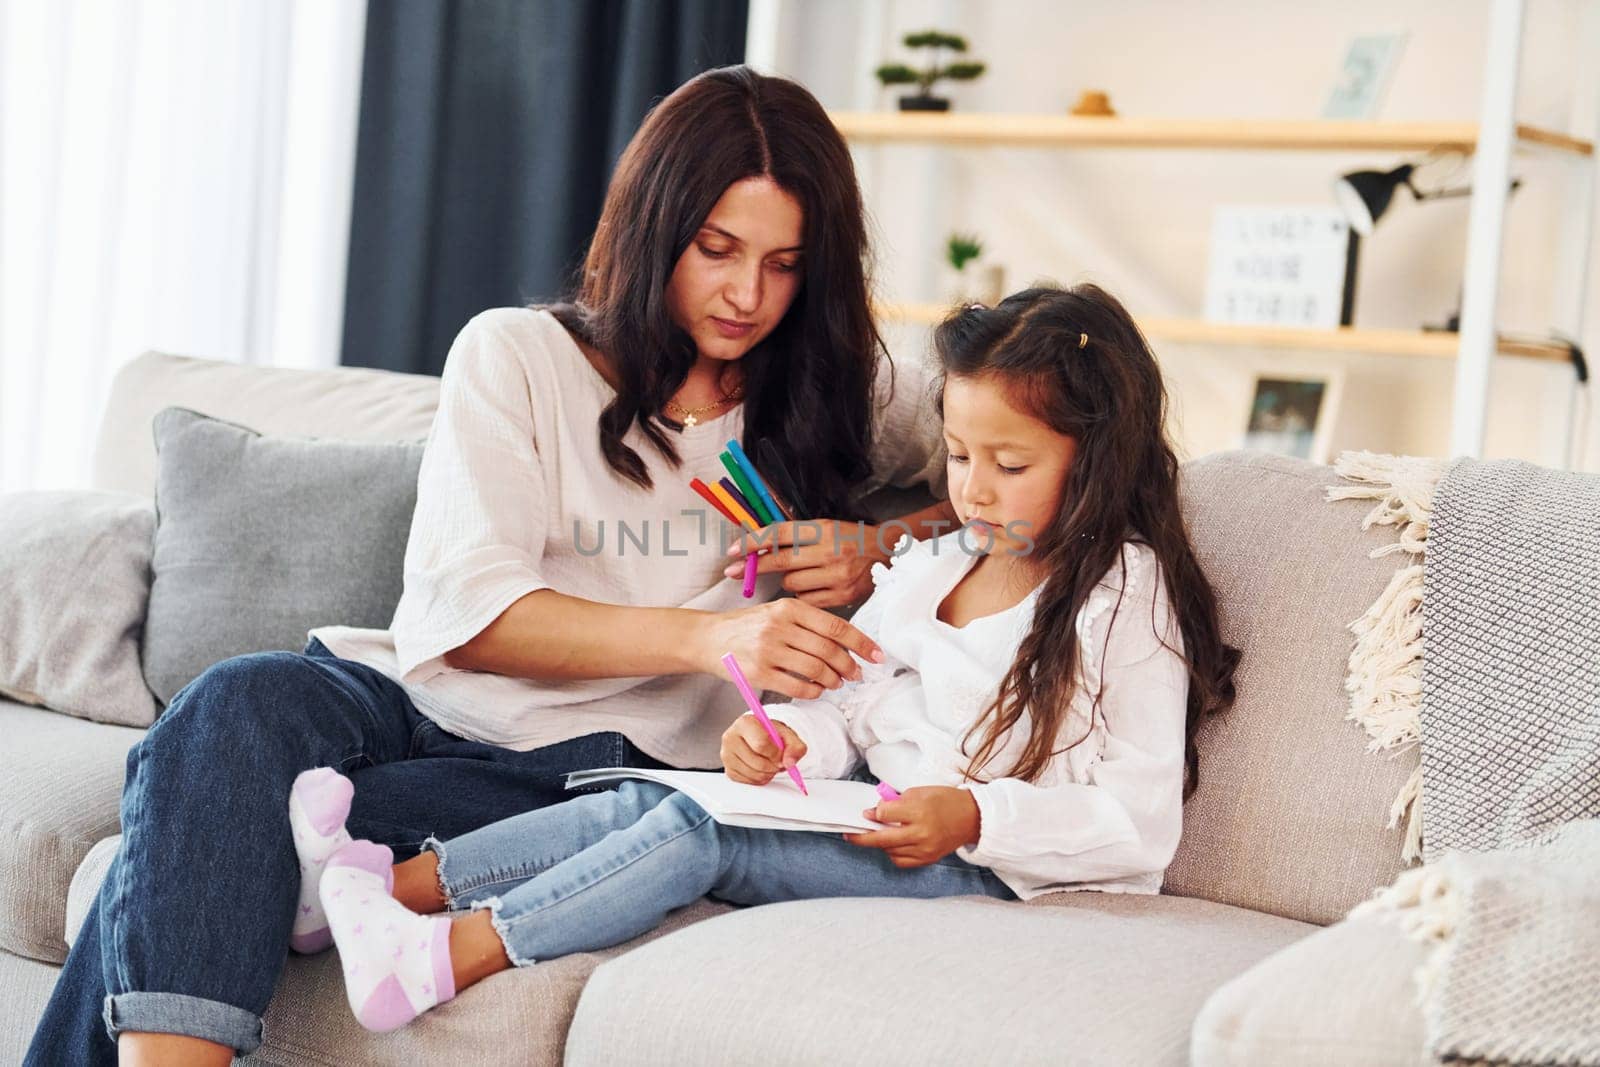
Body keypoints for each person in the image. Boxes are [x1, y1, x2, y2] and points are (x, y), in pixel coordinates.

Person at [27, 66, 957, 1066]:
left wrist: (884, 545)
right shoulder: (518, 355)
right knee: (227, 707)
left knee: (204, 835)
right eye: (716, 249)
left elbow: (1050, 479)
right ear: (651, 230)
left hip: (587, 773)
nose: (746, 293)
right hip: (420, 699)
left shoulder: (838, 391)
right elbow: (473, 613)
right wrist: (713, 634)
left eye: (784, 263)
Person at [294, 284, 1241, 1032]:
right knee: (653, 798)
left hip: (989, 871)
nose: (975, 491)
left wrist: (973, 817)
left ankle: (450, 953)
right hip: (872, 815)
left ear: (1100, 456)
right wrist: (788, 739)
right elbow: (851, 702)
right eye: (958, 455)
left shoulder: (1124, 596)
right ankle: (374, 886)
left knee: (692, 837)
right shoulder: (936, 564)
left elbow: (1139, 824)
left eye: (1012, 464)